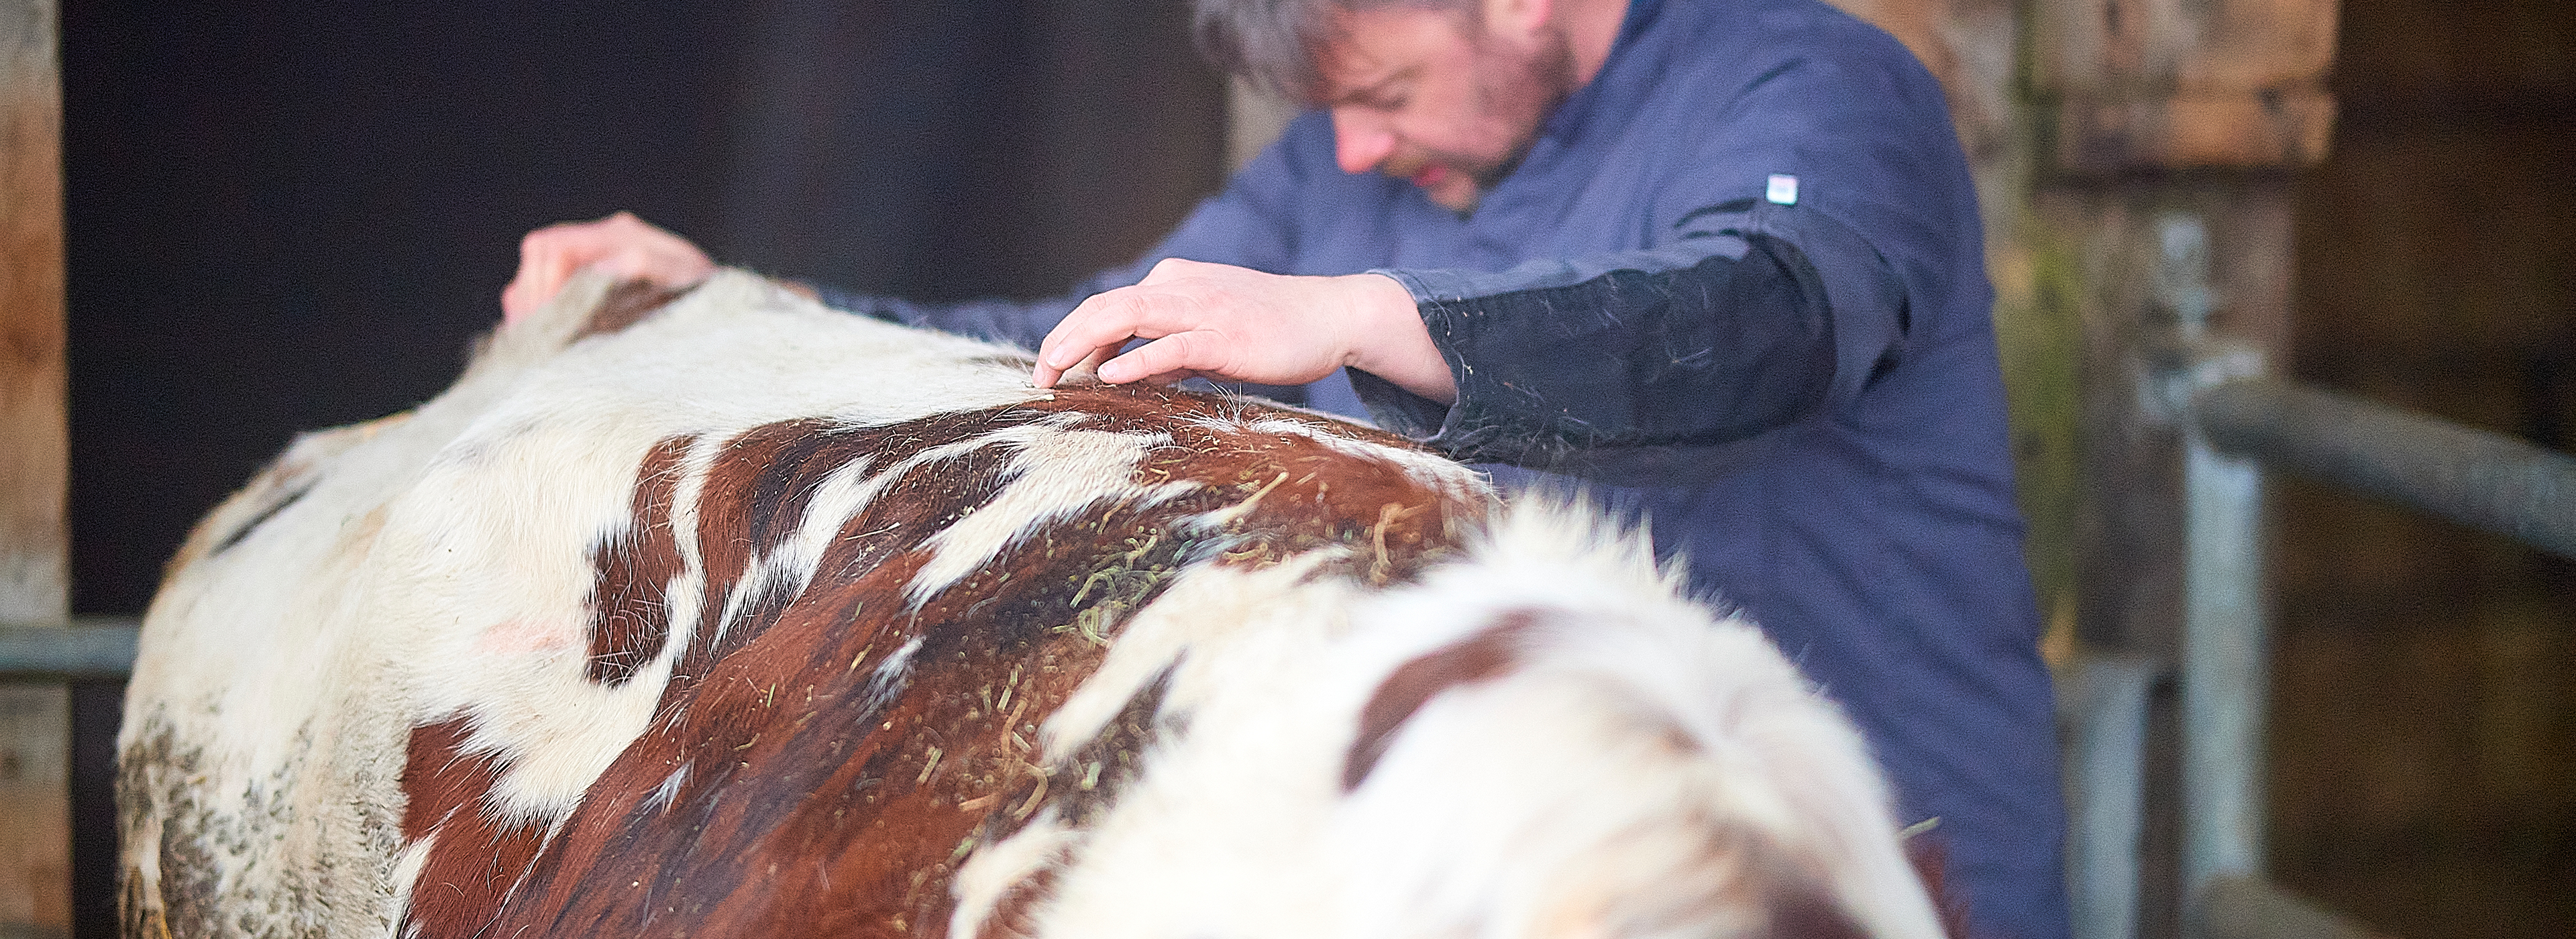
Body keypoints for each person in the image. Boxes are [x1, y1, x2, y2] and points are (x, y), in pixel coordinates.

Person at [504, 0, 2069, 934]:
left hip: (1841, 879)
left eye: (1381, 95)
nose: (1361, 154)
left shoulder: (1810, 88)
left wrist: (1356, 316)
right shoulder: (1334, 174)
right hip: (1521, 877)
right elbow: (1070, 342)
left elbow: (1761, 319)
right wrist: (737, 301)